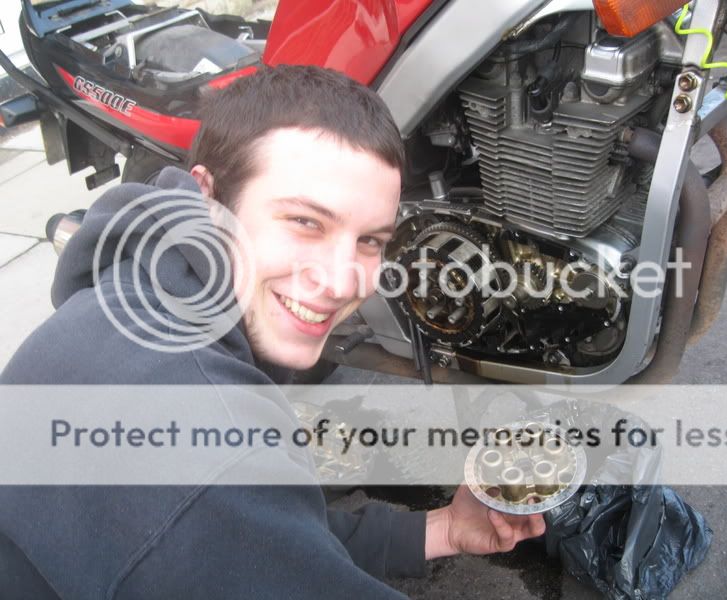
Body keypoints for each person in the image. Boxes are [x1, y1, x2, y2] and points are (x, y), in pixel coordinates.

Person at [0, 65, 545, 599]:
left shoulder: (143, 298)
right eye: (306, 222)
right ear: (209, 199)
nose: (341, 281)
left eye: (370, 241)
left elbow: (261, 545)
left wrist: (443, 528)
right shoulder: (202, 446)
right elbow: (218, 516)